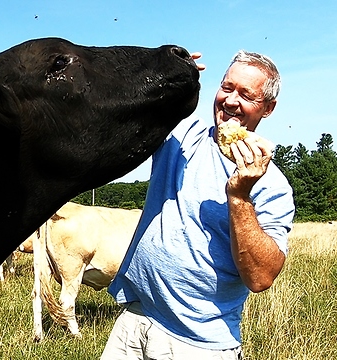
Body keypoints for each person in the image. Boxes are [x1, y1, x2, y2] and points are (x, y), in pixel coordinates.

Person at [101, 50, 295, 360]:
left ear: (268, 108)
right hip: (136, 319)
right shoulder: (183, 135)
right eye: (227, 87)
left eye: (247, 95)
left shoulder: (272, 186)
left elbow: (260, 277)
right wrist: (161, 70)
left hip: (198, 343)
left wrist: (240, 196)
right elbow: (125, 108)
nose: (230, 101)